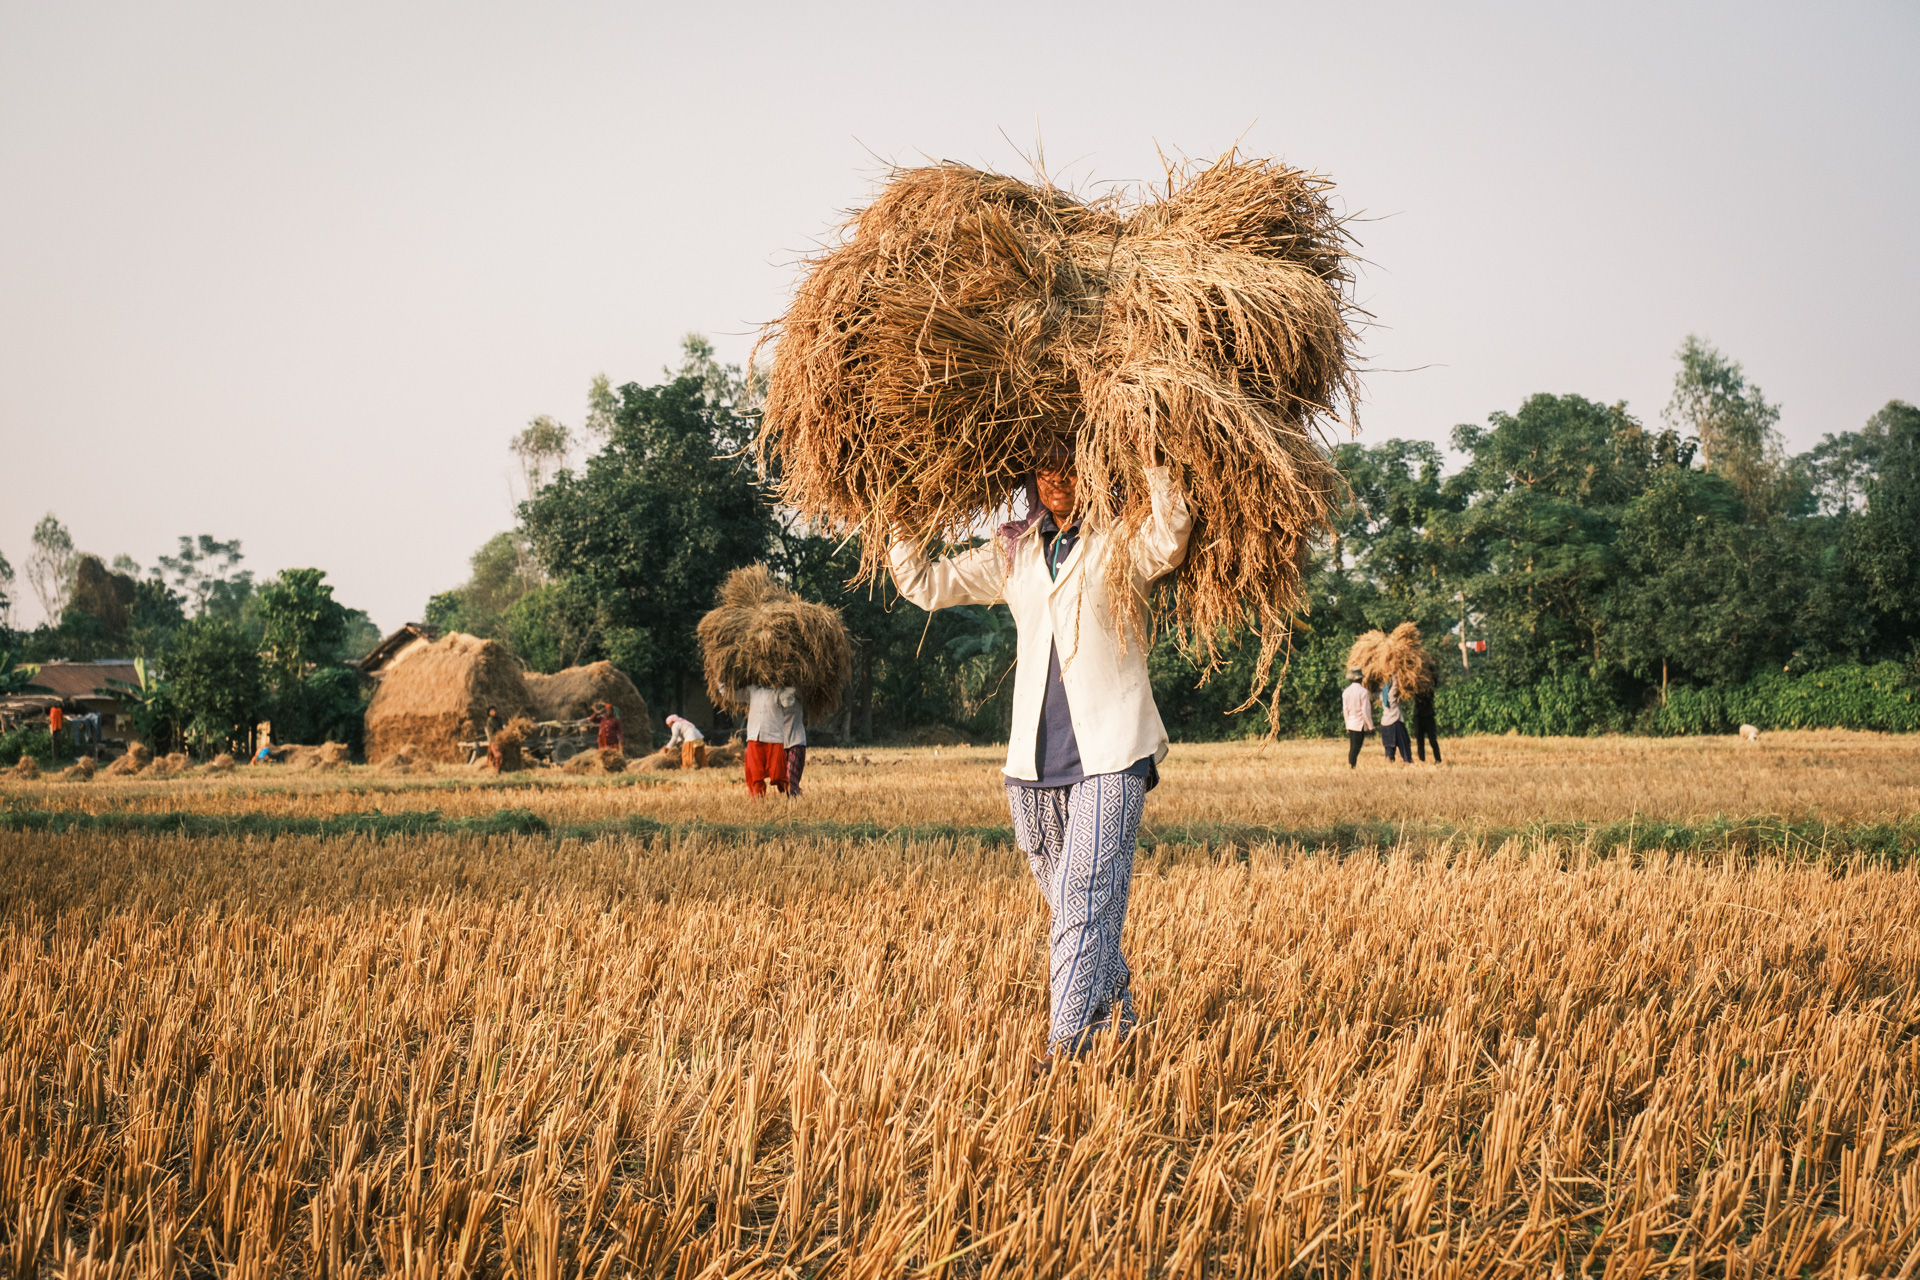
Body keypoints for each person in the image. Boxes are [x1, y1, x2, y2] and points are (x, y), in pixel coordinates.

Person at [889, 445, 1190, 1059]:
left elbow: (1171, 538)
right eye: (1044, 466)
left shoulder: (1123, 539)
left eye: (1072, 464)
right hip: (1032, 766)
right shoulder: (1015, 550)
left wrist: (1157, 460)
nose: (1057, 478)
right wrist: (895, 515)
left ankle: (1067, 1046)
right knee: (1079, 910)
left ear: (1097, 467)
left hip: (1113, 750)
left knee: (1083, 900)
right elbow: (924, 584)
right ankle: (1119, 1021)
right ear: (1030, 475)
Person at [739, 686, 800, 796]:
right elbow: (733, 695)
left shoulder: (777, 692)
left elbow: (788, 701)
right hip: (754, 738)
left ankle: (790, 794)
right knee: (755, 775)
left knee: (778, 774)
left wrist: (790, 685)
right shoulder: (752, 690)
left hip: (774, 738)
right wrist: (721, 681)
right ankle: (758, 802)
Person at [1342, 668, 1374, 768]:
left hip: (1351, 723)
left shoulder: (1346, 692)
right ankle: (1352, 764)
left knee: (1352, 746)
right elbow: (1365, 710)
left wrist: (1347, 724)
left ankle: (1352, 764)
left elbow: (1345, 710)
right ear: (1361, 679)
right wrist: (1370, 725)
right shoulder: (1363, 692)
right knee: (1356, 747)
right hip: (1359, 723)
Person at [1380, 679, 1412, 763]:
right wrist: (1395, 674)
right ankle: (1407, 760)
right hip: (1395, 722)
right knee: (1404, 743)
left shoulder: (1381, 696)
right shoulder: (1391, 694)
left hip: (1385, 724)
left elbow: (1371, 694)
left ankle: (1389, 761)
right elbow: (1395, 684)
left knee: (1389, 746)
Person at [1412, 685, 1441, 764]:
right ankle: (1422, 760)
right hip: (1418, 716)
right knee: (1419, 740)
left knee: (1432, 740)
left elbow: (1433, 686)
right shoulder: (1415, 685)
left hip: (1428, 715)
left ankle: (1438, 759)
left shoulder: (1429, 685)